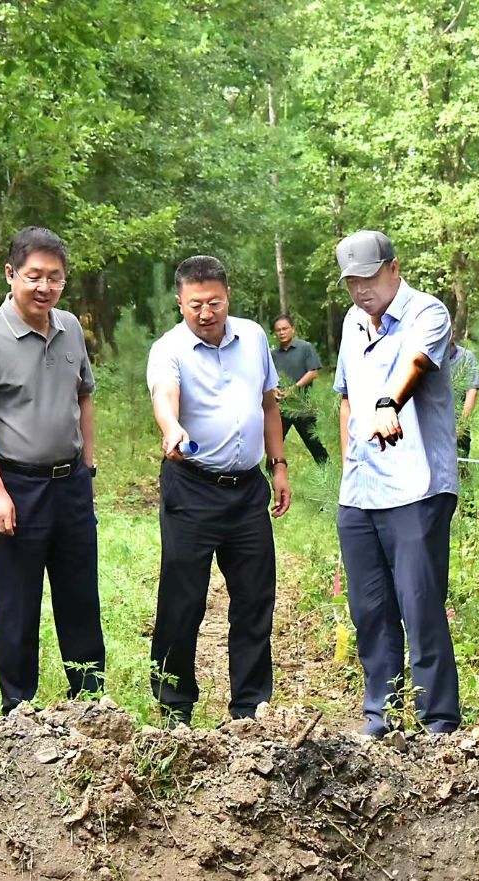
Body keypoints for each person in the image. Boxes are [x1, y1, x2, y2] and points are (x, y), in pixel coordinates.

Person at [0, 227, 104, 715]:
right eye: (34, 276)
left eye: (54, 277)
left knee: (80, 596)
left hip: (71, 485)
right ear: (11, 273)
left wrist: (88, 466)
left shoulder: (70, 327)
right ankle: (18, 709)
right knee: (17, 603)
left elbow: (84, 395)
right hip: (16, 487)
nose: (45, 287)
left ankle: (90, 703)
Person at [147, 255, 291, 727]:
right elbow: (165, 396)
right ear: (180, 302)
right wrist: (171, 428)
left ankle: (249, 706)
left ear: (228, 298)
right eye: (195, 305)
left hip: (247, 490)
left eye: (214, 303)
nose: (205, 313)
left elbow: (268, 405)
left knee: (254, 598)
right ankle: (175, 707)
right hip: (192, 487)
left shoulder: (254, 337)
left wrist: (279, 465)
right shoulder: (168, 349)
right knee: (182, 600)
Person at [332, 230, 460, 736]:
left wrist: (389, 404)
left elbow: (416, 363)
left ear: (393, 267)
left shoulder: (427, 312)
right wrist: (348, 462)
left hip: (416, 487)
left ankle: (438, 723)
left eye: (368, 278)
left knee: (420, 605)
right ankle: (379, 717)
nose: (361, 290)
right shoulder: (351, 322)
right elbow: (346, 396)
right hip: (360, 489)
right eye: (351, 282)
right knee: (369, 610)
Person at [271, 315, 330, 464]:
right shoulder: (273, 355)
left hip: (303, 405)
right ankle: (272, 473)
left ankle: (327, 469)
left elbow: (313, 372)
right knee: (275, 443)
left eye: (284, 329)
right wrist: (274, 389)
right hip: (282, 406)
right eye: (278, 330)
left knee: (313, 443)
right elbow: (269, 377)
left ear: (292, 329)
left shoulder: (305, 348)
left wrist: (294, 389)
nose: (281, 332)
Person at [446, 329, 479, 458]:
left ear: (453, 333)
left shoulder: (466, 357)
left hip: (457, 424)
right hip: (431, 426)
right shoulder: (427, 356)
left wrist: (461, 425)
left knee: (459, 465)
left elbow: (472, 392)